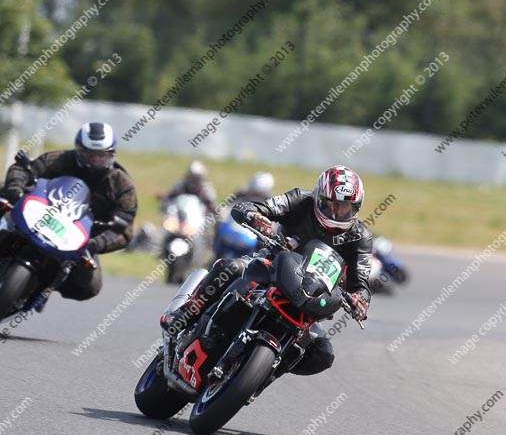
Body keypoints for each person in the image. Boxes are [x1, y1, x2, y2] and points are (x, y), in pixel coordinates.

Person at [162, 166, 372, 376]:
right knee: (230, 268)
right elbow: (256, 207)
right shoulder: (301, 200)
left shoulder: (360, 237)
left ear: (356, 208)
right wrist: (254, 216)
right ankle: (184, 315)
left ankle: (263, 372)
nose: (336, 212)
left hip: (311, 296)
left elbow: (361, 284)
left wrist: (359, 301)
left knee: (322, 354)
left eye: (345, 207)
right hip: (272, 265)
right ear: (319, 198)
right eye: (331, 204)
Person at [2, 121, 137, 301]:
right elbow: (24, 168)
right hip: (39, 214)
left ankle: (43, 287)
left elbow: (125, 228)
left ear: (111, 154)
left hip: (79, 240)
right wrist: (15, 187)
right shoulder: (59, 159)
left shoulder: (122, 184)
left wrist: (96, 243)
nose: (96, 160)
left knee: (90, 286)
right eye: (90, 154)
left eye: (102, 155)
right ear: (79, 149)